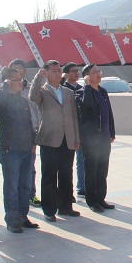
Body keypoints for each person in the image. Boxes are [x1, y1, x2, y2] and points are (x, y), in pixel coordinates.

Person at [29, 60, 81, 221]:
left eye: (59, 70)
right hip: (49, 139)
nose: (57, 73)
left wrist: (76, 138)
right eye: (53, 71)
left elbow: (74, 116)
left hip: (67, 139)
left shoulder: (68, 92)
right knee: (49, 176)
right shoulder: (42, 91)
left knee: (66, 174)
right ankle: (49, 210)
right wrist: (38, 77)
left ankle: (65, 207)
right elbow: (32, 96)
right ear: (46, 73)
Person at [0, 59, 42, 207]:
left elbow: (28, 123)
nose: (21, 82)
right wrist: (4, 84)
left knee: (25, 185)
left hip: (27, 149)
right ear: (7, 83)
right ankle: (13, 217)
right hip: (11, 150)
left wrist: (32, 142)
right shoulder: (3, 100)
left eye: (20, 79)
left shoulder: (23, 100)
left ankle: (23, 215)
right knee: (12, 188)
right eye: (16, 80)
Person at [75, 64, 116, 213]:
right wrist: (87, 86)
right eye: (94, 72)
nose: (98, 74)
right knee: (91, 171)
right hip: (91, 140)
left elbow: (108, 112)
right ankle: (92, 201)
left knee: (102, 170)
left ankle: (101, 198)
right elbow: (86, 106)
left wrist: (111, 131)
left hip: (104, 138)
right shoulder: (81, 93)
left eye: (99, 71)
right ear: (86, 76)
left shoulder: (103, 91)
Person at [60, 62, 84, 200]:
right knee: (66, 163)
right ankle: (67, 193)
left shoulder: (82, 89)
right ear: (66, 74)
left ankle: (82, 188)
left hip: (80, 128)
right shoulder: (63, 88)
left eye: (77, 71)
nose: (76, 73)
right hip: (67, 130)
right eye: (73, 71)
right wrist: (62, 79)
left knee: (82, 159)